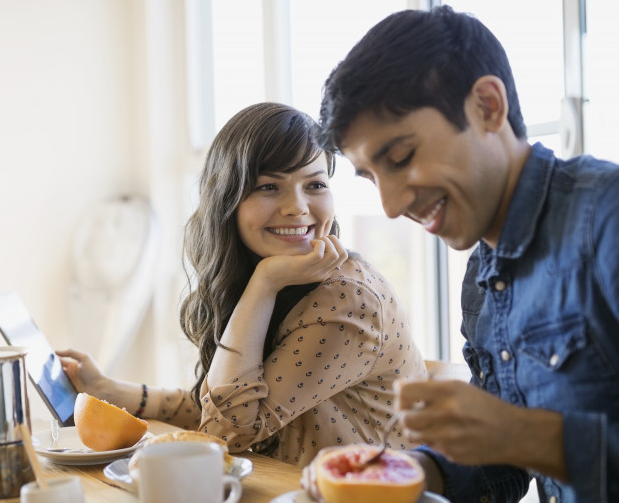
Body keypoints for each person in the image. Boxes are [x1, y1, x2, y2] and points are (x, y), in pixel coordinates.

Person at [313, 4, 619, 503]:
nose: (392, 205)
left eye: (401, 157)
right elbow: (505, 465)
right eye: (372, 177)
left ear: (488, 106)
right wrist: (415, 471)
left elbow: (523, 440)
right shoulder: (482, 274)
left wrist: (528, 435)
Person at [58, 102, 427, 467]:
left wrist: (265, 283)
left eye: (314, 184)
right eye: (269, 186)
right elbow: (226, 402)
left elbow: (226, 432)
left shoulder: (346, 299)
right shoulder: (282, 278)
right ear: (227, 200)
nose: (297, 207)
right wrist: (110, 391)